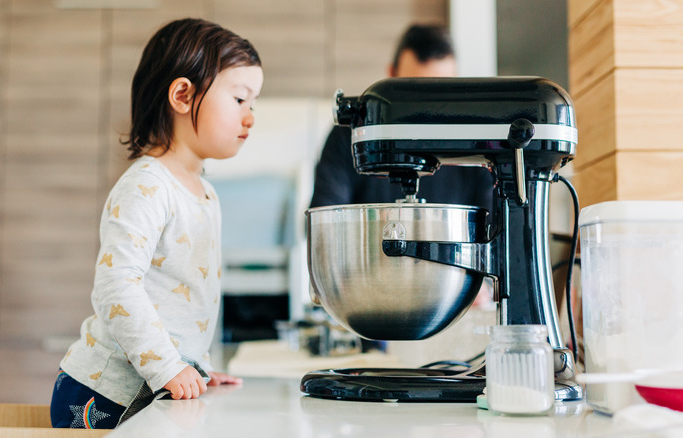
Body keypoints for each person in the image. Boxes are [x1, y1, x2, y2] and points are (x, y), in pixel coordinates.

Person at [49, 18, 263, 429]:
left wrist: (194, 367)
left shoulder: (206, 193)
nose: (250, 117)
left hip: (156, 386)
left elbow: (184, 300)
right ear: (182, 95)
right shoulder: (148, 185)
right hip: (104, 393)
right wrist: (167, 366)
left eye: (254, 103)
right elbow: (116, 286)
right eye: (239, 99)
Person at [310, 24, 495, 210]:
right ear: (391, 75)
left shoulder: (476, 143)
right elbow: (325, 212)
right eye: (415, 93)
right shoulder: (349, 135)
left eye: (440, 93)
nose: (427, 110)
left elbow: (494, 222)